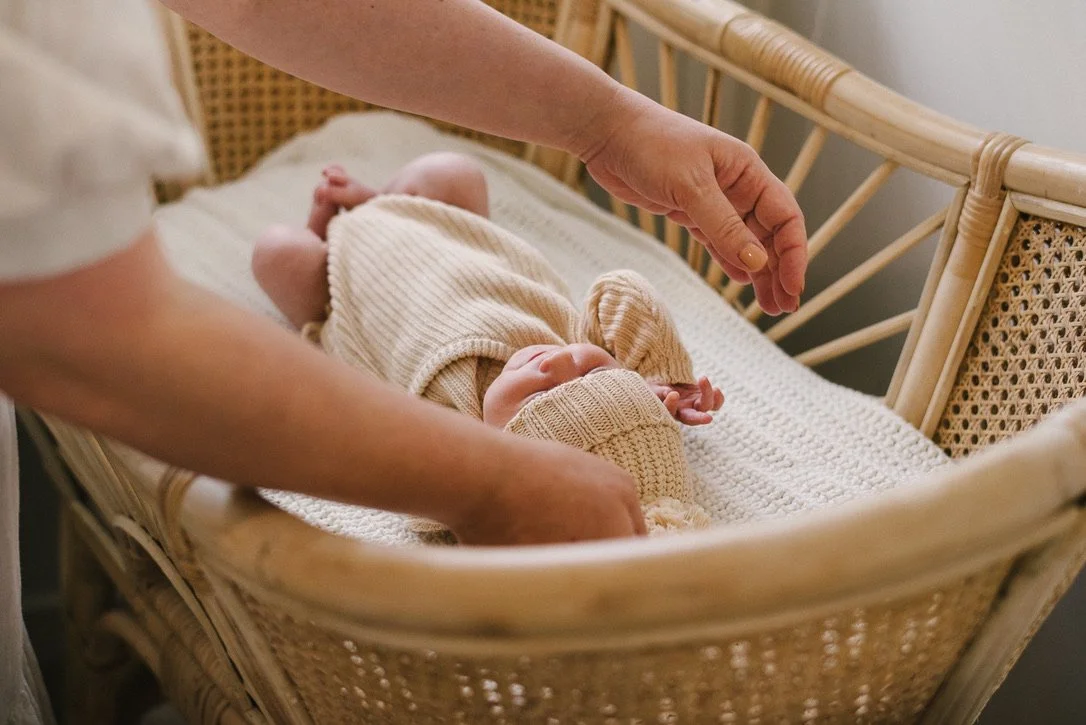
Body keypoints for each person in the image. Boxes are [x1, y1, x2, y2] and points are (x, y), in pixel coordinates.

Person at [0, 0, 808, 721]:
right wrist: (492, 480)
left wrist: (611, 121)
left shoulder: (451, 399)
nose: (566, 364)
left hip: (362, 279)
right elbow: (75, 328)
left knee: (299, 257)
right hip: (415, 245)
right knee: (437, 185)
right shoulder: (492, 415)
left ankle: (340, 222)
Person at [252, 155, 724, 535]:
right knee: (453, 173)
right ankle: (377, 201)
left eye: (540, 399)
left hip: (342, 285)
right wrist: (655, 379)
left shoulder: (462, 430)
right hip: (447, 229)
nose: (558, 363)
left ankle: (326, 229)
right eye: (591, 374)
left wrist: (489, 482)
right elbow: (622, 291)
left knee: (277, 253)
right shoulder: (574, 340)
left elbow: (424, 498)